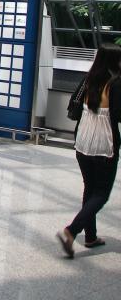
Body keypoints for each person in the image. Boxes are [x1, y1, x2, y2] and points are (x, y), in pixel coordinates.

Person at [56, 43, 121, 258]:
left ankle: (90, 237)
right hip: (104, 144)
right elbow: (118, 115)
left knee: (90, 188)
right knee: (101, 194)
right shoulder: (116, 83)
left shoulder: (89, 80)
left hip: (83, 141)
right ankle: (72, 230)